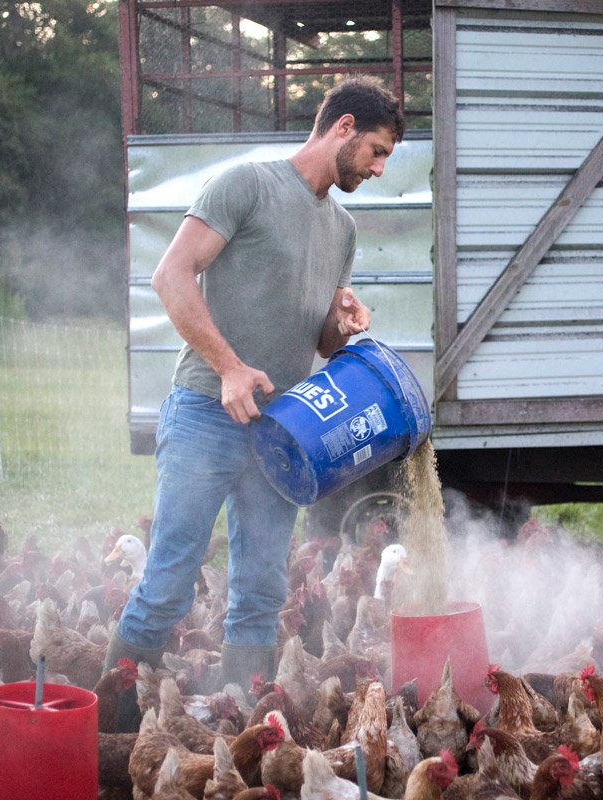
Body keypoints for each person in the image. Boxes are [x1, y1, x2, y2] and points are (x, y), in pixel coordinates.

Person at [104, 77, 405, 687]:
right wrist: (229, 368)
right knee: (169, 579)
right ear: (343, 126)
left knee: (263, 590)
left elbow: (322, 341)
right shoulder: (248, 184)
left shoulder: (341, 228)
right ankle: (110, 717)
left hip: (281, 430)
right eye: (376, 151)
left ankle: (238, 719)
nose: (378, 169)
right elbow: (171, 275)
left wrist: (344, 326)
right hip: (205, 412)